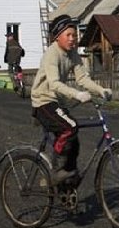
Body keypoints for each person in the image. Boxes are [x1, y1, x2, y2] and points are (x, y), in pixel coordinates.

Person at [31, 15, 112, 184]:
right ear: (57, 36)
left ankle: (67, 181)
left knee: (74, 141)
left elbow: (82, 78)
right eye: (68, 35)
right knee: (70, 127)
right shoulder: (52, 54)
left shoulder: (73, 53)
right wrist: (77, 94)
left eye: (74, 35)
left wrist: (100, 90)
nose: (72, 39)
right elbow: (53, 84)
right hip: (43, 101)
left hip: (57, 101)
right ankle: (56, 172)